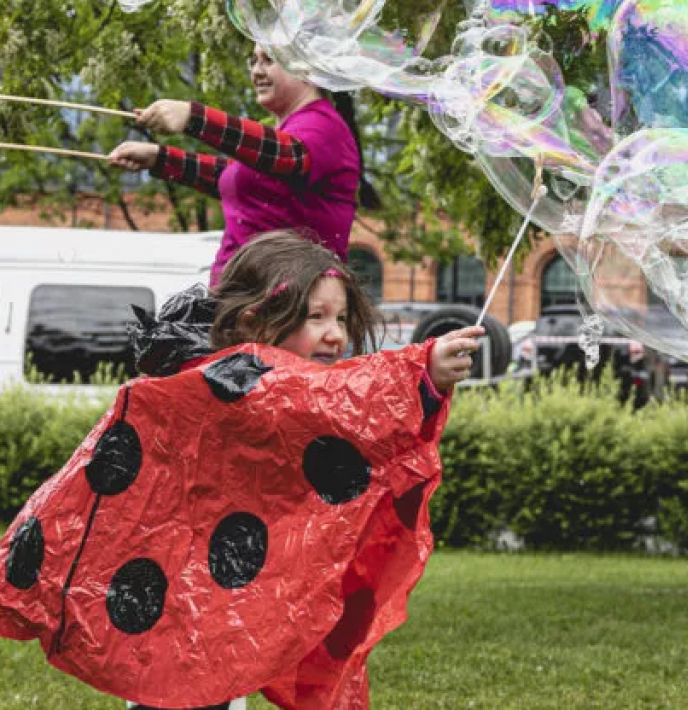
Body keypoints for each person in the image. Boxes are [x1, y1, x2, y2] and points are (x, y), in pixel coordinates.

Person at [0, 230, 483, 710]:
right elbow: (332, 402)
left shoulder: (258, 389)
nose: (335, 333)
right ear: (257, 321)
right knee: (185, 689)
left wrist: (420, 380)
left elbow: (342, 420)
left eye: (340, 317)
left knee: (204, 686)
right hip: (179, 608)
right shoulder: (233, 380)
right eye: (315, 317)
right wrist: (419, 371)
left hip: (206, 610)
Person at [108, 46, 379, 286]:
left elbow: (290, 155)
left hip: (290, 307)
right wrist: (160, 158)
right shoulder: (285, 133)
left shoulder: (324, 126)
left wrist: (194, 117)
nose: (257, 72)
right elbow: (233, 178)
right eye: (253, 61)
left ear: (305, 67)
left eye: (268, 60)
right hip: (248, 302)